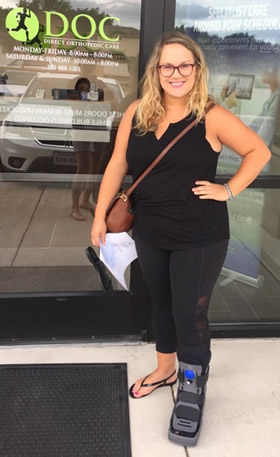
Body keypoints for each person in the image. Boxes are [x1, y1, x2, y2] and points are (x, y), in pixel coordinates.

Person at [90, 32, 271, 445]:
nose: (176, 73)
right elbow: (118, 164)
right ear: (157, 71)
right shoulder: (137, 111)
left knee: (190, 313)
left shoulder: (211, 116)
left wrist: (228, 190)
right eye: (167, 66)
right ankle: (165, 368)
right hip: (151, 231)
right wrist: (100, 215)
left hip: (200, 236)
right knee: (163, 304)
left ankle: (191, 383)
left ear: (197, 70)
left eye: (184, 65)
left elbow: (258, 151)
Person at [71, 78, 97, 221]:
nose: (85, 92)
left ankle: (85, 200)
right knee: (82, 169)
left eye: (88, 89)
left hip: (93, 132)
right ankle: (75, 207)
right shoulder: (75, 99)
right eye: (82, 89)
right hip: (81, 132)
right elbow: (76, 110)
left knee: (93, 168)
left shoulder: (92, 97)